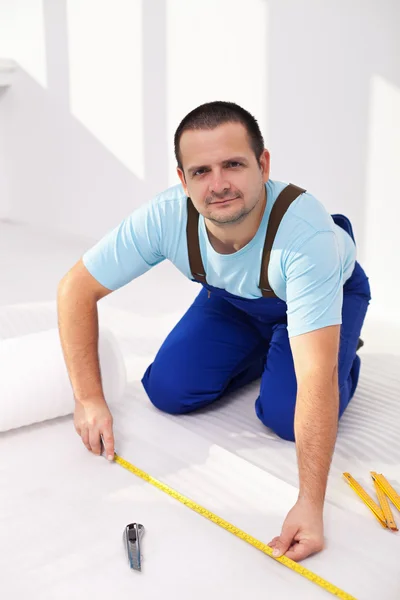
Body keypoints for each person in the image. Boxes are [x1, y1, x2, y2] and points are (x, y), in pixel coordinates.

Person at [57, 101, 371, 563]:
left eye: (233, 165)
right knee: (168, 391)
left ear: (263, 165)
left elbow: (314, 382)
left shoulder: (307, 240)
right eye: (201, 171)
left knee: (286, 415)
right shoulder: (165, 217)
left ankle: (342, 352)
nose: (218, 184)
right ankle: (272, 346)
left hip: (328, 291)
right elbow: (74, 290)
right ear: (183, 180)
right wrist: (87, 398)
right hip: (234, 300)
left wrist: (310, 504)